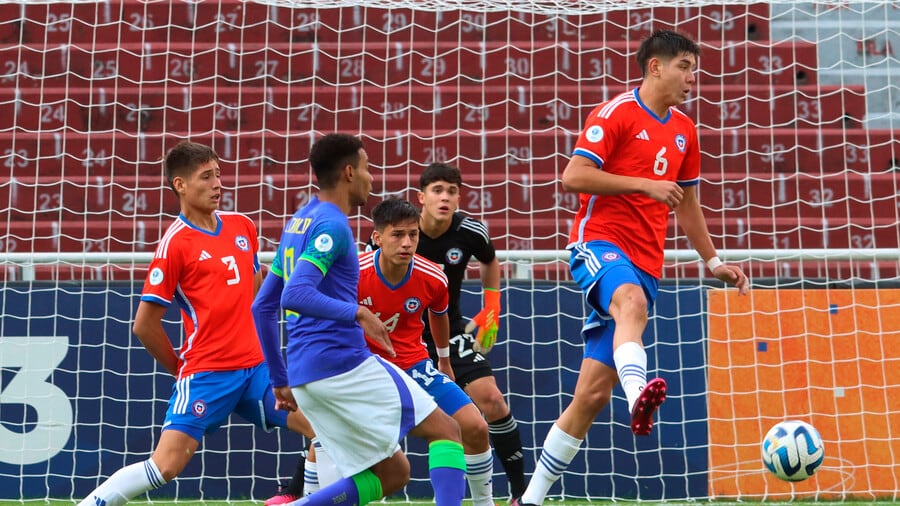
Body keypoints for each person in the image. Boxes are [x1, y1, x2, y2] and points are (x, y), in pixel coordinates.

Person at [512, 30, 751, 506]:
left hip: (646, 261)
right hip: (597, 243)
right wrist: (644, 185)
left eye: (694, 68)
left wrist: (714, 260)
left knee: (590, 397)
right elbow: (573, 176)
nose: (691, 77)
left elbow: (687, 205)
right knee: (631, 304)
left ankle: (530, 499)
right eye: (684, 65)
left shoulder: (684, 129)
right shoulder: (617, 112)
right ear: (655, 66)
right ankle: (638, 393)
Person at [77, 141, 315, 506]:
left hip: (257, 370)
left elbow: (253, 285)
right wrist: (179, 368)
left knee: (321, 429)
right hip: (207, 373)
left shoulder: (242, 227)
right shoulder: (175, 244)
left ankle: (299, 498)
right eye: (207, 177)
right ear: (180, 185)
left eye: (219, 174)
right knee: (166, 467)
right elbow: (144, 325)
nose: (218, 184)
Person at [250, 133, 467, 506]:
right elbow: (295, 295)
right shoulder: (332, 226)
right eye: (367, 168)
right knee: (449, 431)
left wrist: (281, 379)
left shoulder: (297, 223)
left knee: (393, 473)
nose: (371, 178)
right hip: (342, 364)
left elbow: (262, 306)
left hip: (306, 375)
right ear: (349, 172)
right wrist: (359, 312)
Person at [360, 198, 495, 506]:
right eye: (398, 235)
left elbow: (438, 314)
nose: (407, 243)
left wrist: (444, 360)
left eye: (413, 234)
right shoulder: (353, 273)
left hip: (414, 366)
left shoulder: (433, 276)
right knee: (327, 442)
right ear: (377, 238)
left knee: (474, 426)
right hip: (364, 371)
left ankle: (484, 502)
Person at [415, 162, 528, 499]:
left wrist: (492, 307)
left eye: (451, 191)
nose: (445, 197)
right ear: (421, 198)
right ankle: (300, 485)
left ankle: (520, 493)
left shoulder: (471, 232)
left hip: (450, 331)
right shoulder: (401, 231)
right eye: (437, 190)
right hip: (403, 337)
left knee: (492, 400)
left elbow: (490, 260)